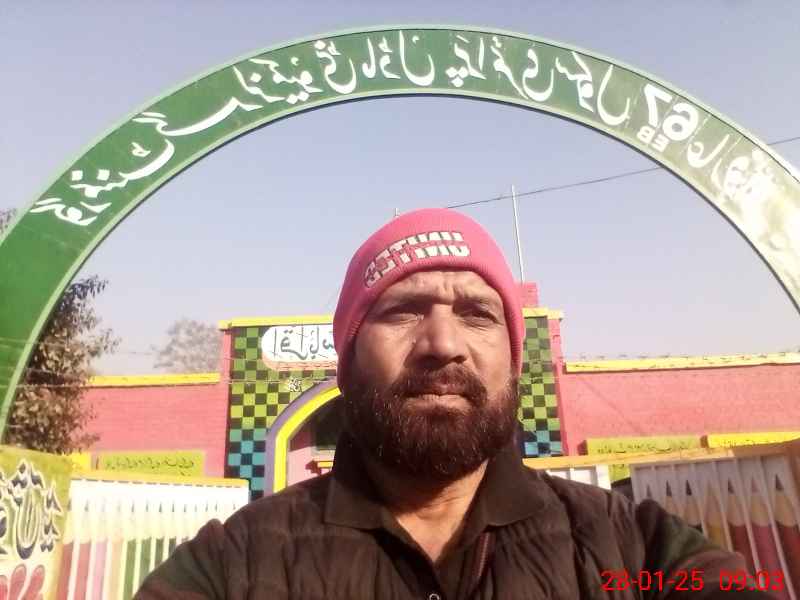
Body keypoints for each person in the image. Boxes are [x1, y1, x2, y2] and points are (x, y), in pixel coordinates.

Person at [136, 208, 771, 599]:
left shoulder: (637, 550)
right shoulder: (234, 565)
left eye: (477, 314)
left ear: (514, 362)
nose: (443, 345)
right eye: (403, 311)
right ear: (346, 363)